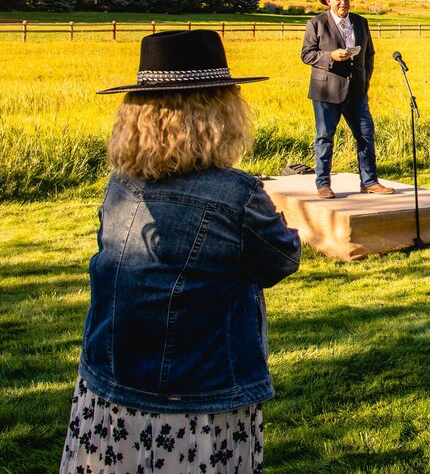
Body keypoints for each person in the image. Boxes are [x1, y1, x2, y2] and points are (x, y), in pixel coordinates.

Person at [62, 30, 301, 473]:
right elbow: (281, 259)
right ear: (218, 113)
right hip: (198, 397)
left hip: (110, 380)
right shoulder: (236, 195)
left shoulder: (120, 184)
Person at [301, 0, 394, 198]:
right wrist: (330, 56)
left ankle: (369, 181)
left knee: (366, 135)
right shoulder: (316, 23)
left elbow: (369, 55)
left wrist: (365, 81)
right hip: (327, 92)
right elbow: (306, 54)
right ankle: (323, 184)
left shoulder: (361, 22)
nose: (343, 3)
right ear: (329, 1)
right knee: (324, 137)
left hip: (356, 92)